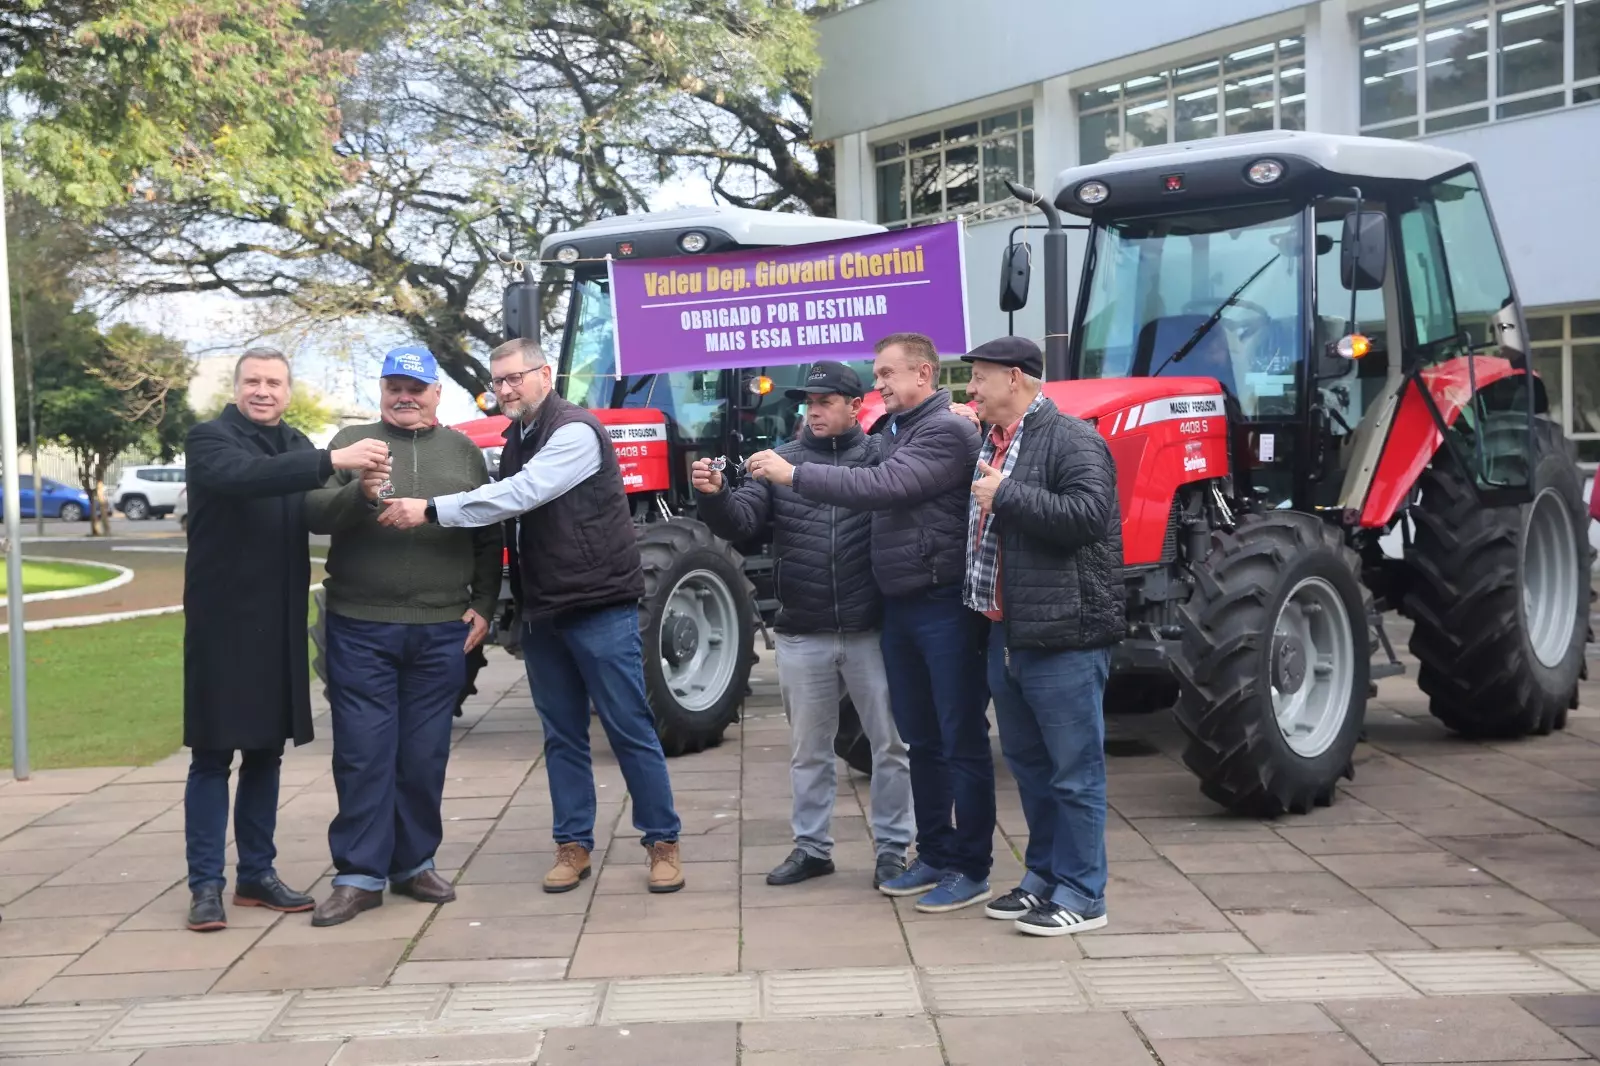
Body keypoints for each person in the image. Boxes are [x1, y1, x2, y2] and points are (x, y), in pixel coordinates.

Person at [377, 338, 685, 894]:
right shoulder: (519, 434)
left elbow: (521, 495)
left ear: (546, 374)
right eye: (497, 381)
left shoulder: (574, 431)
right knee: (561, 734)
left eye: (515, 378)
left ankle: (662, 842)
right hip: (543, 608)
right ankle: (573, 846)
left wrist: (430, 509)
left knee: (629, 728)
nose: (505, 389)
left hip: (597, 605)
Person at [746, 332, 994, 914]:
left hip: (938, 604)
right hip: (899, 607)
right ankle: (933, 853)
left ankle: (970, 866)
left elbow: (883, 487)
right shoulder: (896, 431)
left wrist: (793, 475)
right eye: (877, 375)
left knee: (957, 740)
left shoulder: (945, 430)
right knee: (923, 740)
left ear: (925, 375)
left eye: (886, 374)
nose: (878, 383)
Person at [182, 348, 391, 933]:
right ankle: (205, 886)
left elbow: (318, 514)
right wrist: (333, 458)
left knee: (266, 752)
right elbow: (243, 478)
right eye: (254, 381)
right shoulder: (209, 440)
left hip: (277, 622)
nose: (263, 391)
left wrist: (364, 489)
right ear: (237, 386)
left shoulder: (297, 444)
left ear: (288, 389)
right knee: (212, 755)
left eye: (274, 382)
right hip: (221, 624)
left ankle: (256, 874)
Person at [692, 361, 914, 890]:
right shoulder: (779, 462)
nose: (813, 410)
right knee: (808, 751)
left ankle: (893, 849)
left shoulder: (883, 459)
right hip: (803, 630)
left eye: (825, 402)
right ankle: (812, 849)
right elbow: (742, 526)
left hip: (871, 631)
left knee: (890, 747)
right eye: (808, 403)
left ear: (855, 405)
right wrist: (715, 495)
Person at [303, 347, 503, 927]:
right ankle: (359, 876)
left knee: (423, 755)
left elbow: (488, 532)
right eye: (394, 385)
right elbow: (313, 513)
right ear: (382, 390)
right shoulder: (354, 440)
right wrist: (360, 494)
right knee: (364, 754)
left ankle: (414, 862)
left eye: (415, 386)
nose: (404, 396)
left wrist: (485, 605)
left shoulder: (463, 452)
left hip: (441, 630)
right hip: (360, 625)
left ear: (437, 393)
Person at [961, 336, 1125, 936]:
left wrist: (1006, 494)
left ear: (1016, 378)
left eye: (978, 378)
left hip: (1065, 638)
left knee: (1075, 773)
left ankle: (1085, 895)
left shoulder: (1074, 438)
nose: (971, 390)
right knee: (1031, 769)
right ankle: (1043, 878)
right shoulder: (992, 441)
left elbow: (1088, 518)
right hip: (1009, 634)